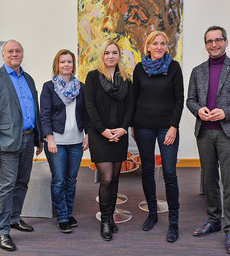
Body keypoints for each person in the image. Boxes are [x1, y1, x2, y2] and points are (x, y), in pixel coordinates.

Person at [186, 26, 230, 254]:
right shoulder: (197, 71)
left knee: (229, 183)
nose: (213, 44)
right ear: (205, 44)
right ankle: (214, 220)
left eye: (218, 40)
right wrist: (198, 111)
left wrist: (226, 112)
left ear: (225, 42)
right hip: (205, 132)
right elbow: (190, 100)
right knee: (209, 181)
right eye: (209, 41)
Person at [0, 40, 43, 251]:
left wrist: (38, 138)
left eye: (18, 51)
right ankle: (1, 230)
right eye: (10, 51)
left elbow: (35, 109)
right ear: (3, 54)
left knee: (22, 182)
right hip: (5, 142)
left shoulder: (29, 78)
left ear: (22, 54)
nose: (15, 54)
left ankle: (15, 218)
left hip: (28, 138)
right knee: (6, 187)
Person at [131, 31, 184, 242]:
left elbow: (179, 98)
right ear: (148, 46)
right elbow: (134, 99)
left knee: (170, 173)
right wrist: (133, 125)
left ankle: (173, 221)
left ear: (166, 47)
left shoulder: (174, 67)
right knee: (147, 172)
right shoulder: (139, 68)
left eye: (163, 43)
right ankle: (152, 214)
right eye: (156, 43)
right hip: (143, 126)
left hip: (166, 128)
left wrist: (174, 126)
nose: (160, 46)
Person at [84, 39, 133, 241]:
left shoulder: (126, 79)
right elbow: (90, 106)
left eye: (114, 52)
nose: (111, 56)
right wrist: (104, 131)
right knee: (106, 178)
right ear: (102, 55)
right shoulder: (93, 77)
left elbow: (131, 107)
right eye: (107, 53)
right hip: (100, 135)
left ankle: (111, 216)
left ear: (119, 56)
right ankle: (105, 220)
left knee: (115, 178)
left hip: (119, 136)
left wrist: (122, 129)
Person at [40, 49, 88, 233]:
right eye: (62, 62)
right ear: (57, 65)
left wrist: (88, 134)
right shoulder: (49, 87)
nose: (66, 65)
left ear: (73, 65)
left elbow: (85, 113)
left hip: (76, 141)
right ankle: (61, 216)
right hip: (56, 142)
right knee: (59, 180)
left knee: (71, 180)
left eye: (69, 62)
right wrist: (49, 138)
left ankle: (68, 212)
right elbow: (44, 115)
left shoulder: (80, 87)